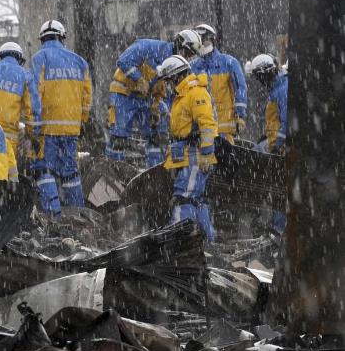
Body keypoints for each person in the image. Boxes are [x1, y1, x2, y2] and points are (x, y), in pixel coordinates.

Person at [105, 30, 202, 166]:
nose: (189, 57)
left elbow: (161, 86)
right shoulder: (148, 46)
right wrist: (138, 79)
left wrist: (156, 105)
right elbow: (123, 60)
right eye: (189, 53)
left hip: (146, 98)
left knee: (158, 135)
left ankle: (153, 171)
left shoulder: (174, 64)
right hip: (124, 93)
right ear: (181, 45)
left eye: (191, 55)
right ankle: (111, 170)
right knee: (118, 138)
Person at [29, 19, 91, 216]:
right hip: (71, 129)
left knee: (43, 170)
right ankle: (79, 216)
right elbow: (87, 98)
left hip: (47, 129)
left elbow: (34, 95)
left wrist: (33, 129)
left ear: (42, 39)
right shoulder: (80, 61)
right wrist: (81, 122)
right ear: (62, 38)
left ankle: (53, 216)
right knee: (70, 173)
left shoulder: (40, 58)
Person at [157, 55, 218, 242]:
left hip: (195, 155)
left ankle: (180, 241)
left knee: (184, 198)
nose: (167, 85)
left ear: (175, 76)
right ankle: (207, 241)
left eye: (168, 80)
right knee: (196, 200)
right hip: (186, 154)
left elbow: (207, 125)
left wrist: (207, 154)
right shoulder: (183, 95)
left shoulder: (195, 93)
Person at [190, 24, 248, 143]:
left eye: (204, 40)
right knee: (207, 158)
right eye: (198, 41)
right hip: (202, 128)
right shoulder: (193, 67)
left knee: (225, 158)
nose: (201, 45)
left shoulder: (229, 62)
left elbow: (240, 88)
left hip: (224, 127)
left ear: (212, 40)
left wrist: (240, 116)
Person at [246, 54, 288, 154]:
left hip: (280, 148)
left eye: (258, 77)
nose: (258, 81)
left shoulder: (282, 91)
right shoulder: (275, 90)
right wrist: (266, 135)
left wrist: (277, 147)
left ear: (265, 74)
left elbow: (285, 123)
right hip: (274, 143)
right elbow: (274, 121)